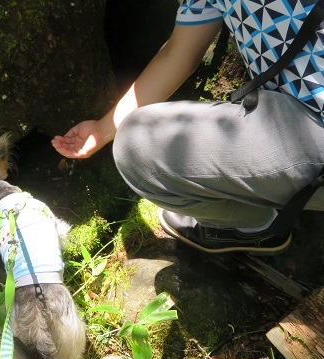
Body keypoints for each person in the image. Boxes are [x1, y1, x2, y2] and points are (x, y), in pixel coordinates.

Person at [52, 0, 324, 254]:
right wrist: (103, 129)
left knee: (137, 146)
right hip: (292, 110)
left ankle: (256, 225)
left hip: (313, 128)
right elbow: (177, 53)